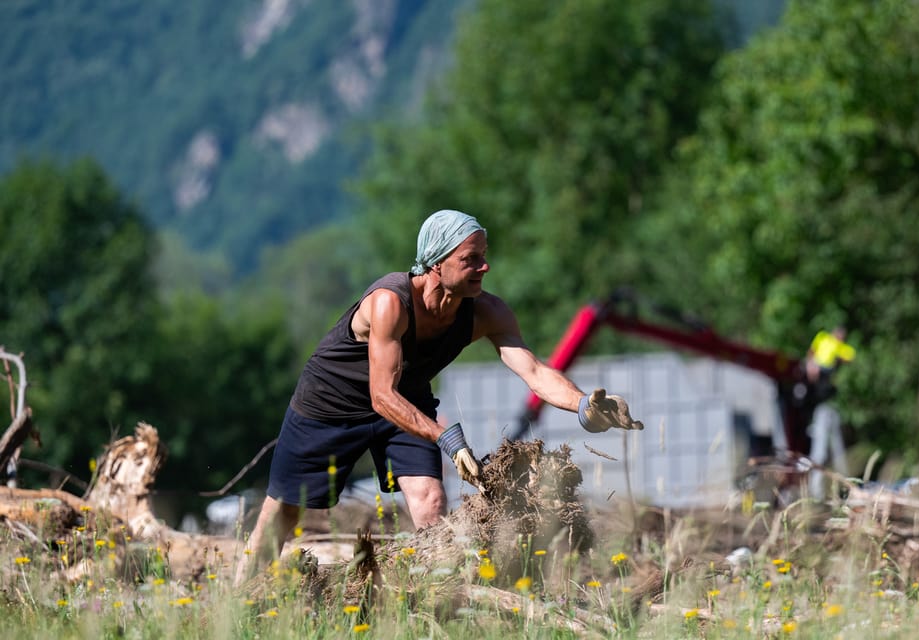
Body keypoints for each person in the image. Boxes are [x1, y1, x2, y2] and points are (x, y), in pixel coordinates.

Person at [234, 209, 643, 583]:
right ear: (436, 262)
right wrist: (446, 438)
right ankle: (239, 602)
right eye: (470, 259)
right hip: (329, 405)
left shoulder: (486, 312)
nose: (484, 266)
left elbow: (534, 372)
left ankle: (432, 594)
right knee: (284, 512)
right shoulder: (389, 303)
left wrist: (583, 405)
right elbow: (380, 394)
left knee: (430, 499)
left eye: (483, 255)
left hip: (407, 402)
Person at [803, 326, 856, 499]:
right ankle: (816, 492)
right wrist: (811, 364)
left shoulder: (839, 349)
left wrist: (839, 360)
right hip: (821, 407)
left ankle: (846, 491)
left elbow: (850, 357)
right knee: (820, 452)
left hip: (830, 406)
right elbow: (811, 353)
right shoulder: (823, 339)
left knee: (838, 452)